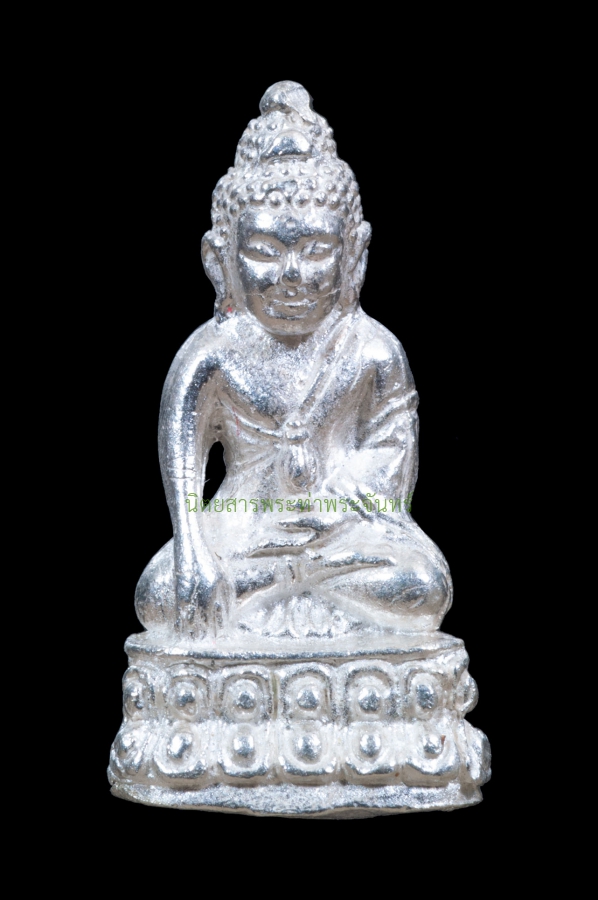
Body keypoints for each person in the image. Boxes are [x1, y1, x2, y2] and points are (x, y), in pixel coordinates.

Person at [135, 82, 452, 641]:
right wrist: (194, 549)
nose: (292, 277)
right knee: (159, 594)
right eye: (264, 252)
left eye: (316, 250)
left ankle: (286, 581)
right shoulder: (213, 353)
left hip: (342, 533)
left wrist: (332, 513)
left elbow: (392, 459)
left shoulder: (372, 350)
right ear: (219, 260)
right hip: (242, 530)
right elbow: (182, 462)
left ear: (354, 255)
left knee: (424, 586)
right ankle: (286, 581)